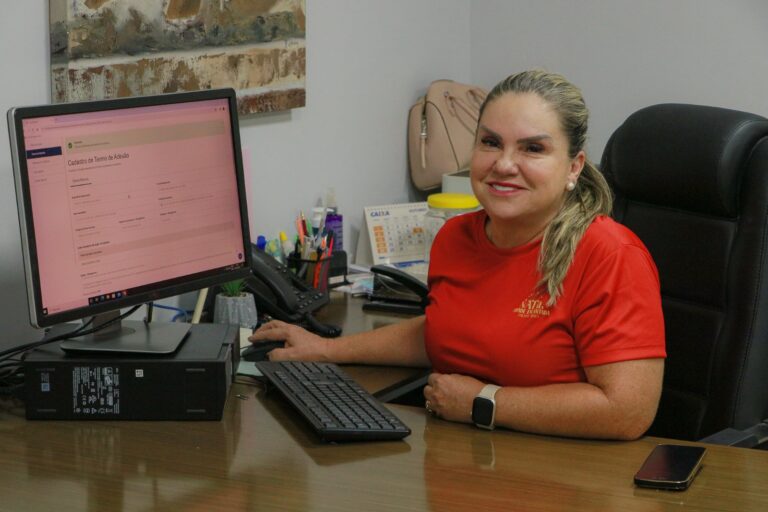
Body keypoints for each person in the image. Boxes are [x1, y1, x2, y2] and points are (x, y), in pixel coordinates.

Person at [250, 70, 666, 440]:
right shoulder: (455, 237)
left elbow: (626, 411)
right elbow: (445, 329)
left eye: (532, 149)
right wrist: (324, 350)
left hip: (561, 479)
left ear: (574, 168)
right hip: (465, 465)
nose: (504, 164)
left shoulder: (609, 255)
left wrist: (484, 403)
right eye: (490, 143)